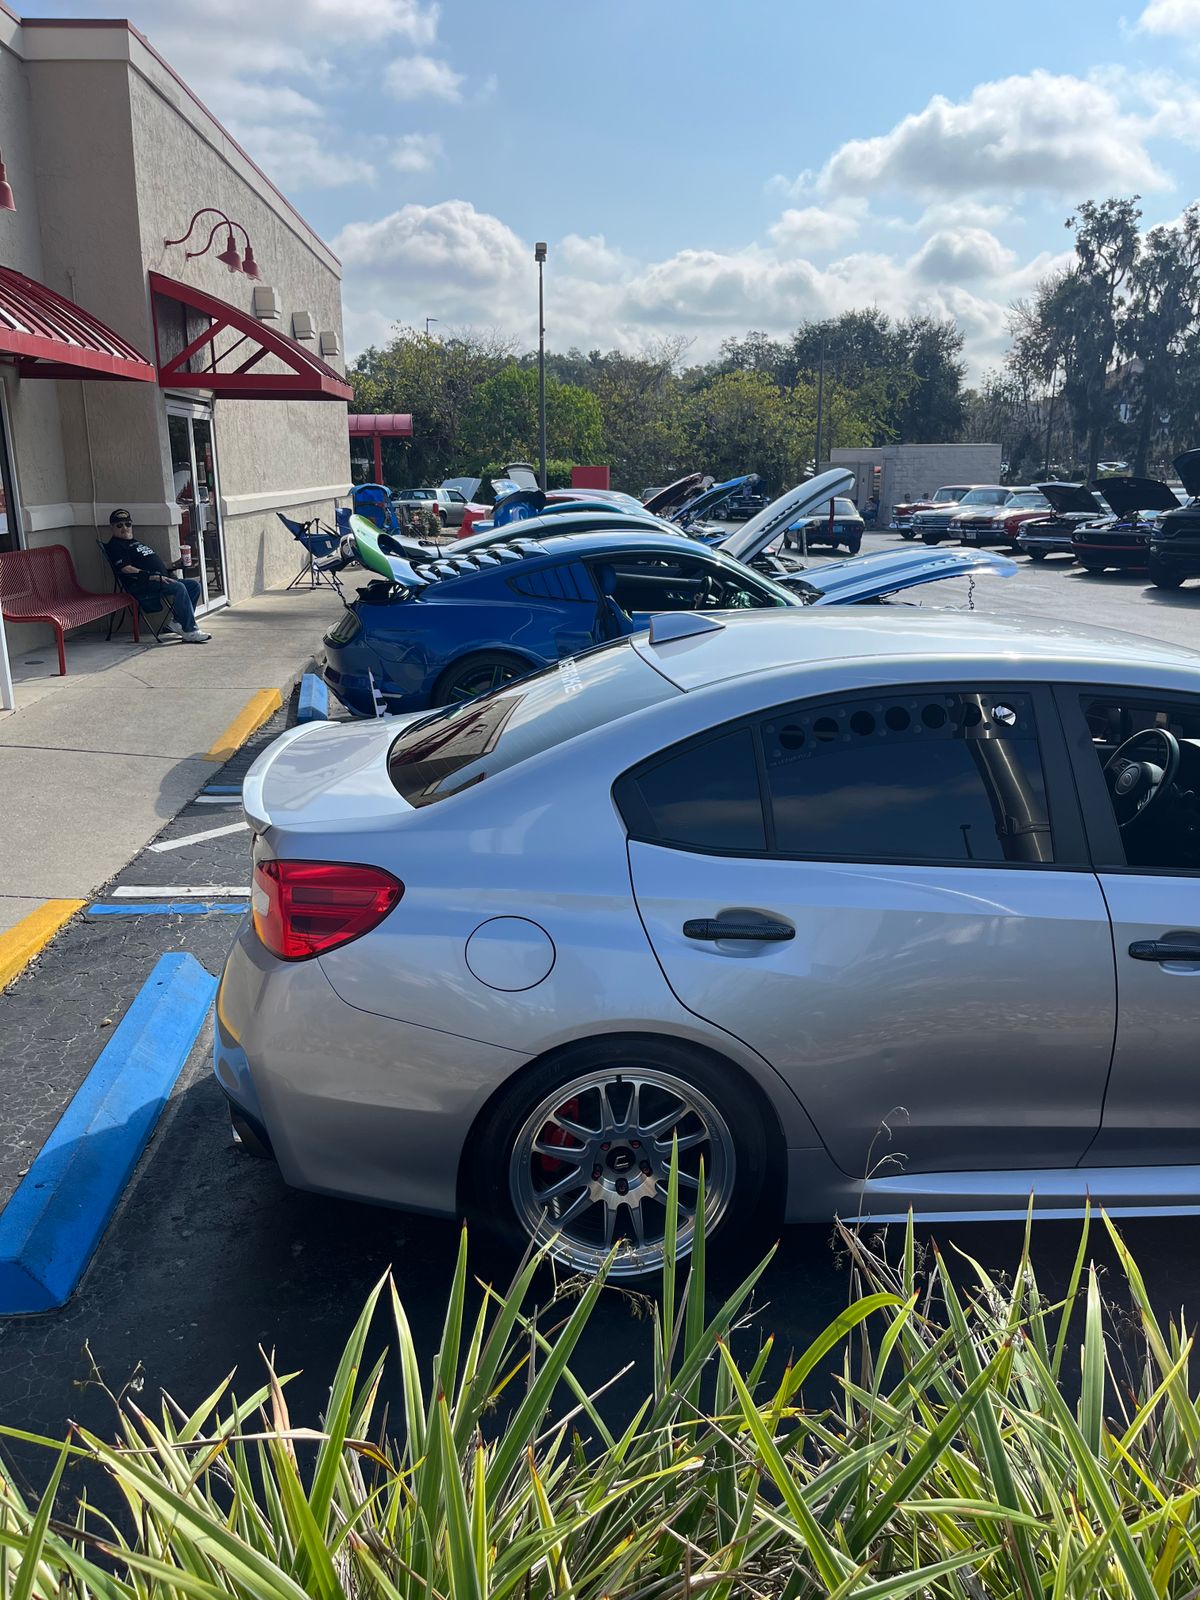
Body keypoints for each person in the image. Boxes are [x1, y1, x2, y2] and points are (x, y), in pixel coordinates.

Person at [104, 510, 210, 642]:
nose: (125, 528)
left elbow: (155, 564)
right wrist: (151, 576)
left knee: (194, 586)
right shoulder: (115, 546)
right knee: (179, 587)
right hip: (143, 584)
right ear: (112, 527)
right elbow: (126, 569)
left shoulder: (135, 543)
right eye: (119, 525)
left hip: (160, 579)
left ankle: (176, 623)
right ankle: (190, 631)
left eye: (128, 524)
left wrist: (175, 564)